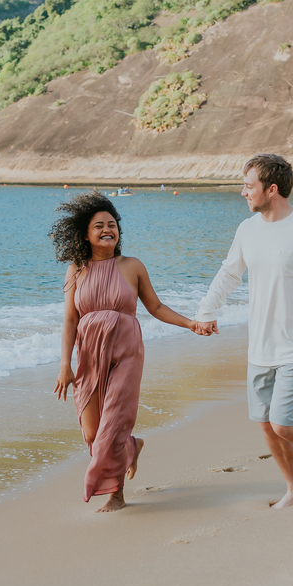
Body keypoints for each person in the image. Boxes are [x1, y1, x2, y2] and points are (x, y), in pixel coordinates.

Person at [195, 154, 293, 508]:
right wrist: (207, 310)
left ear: (271, 189)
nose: (243, 193)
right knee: (266, 424)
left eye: (249, 186)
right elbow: (229, 273)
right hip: (260, 347)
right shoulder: (247, 230)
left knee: (284, 422)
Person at [52, 191, 201, 512]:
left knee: (113, 422)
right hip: (89, 354)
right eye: (99, 225)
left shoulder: (132, 266)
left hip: (126, 350)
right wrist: (65, 364)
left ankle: (116, 494)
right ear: (86, 234)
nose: (107, 229)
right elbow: (69, 319)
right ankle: (131, 447)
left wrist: (189, 323)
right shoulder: (76, 269)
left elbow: (156, 306)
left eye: (112, 224)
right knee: (92, 431)